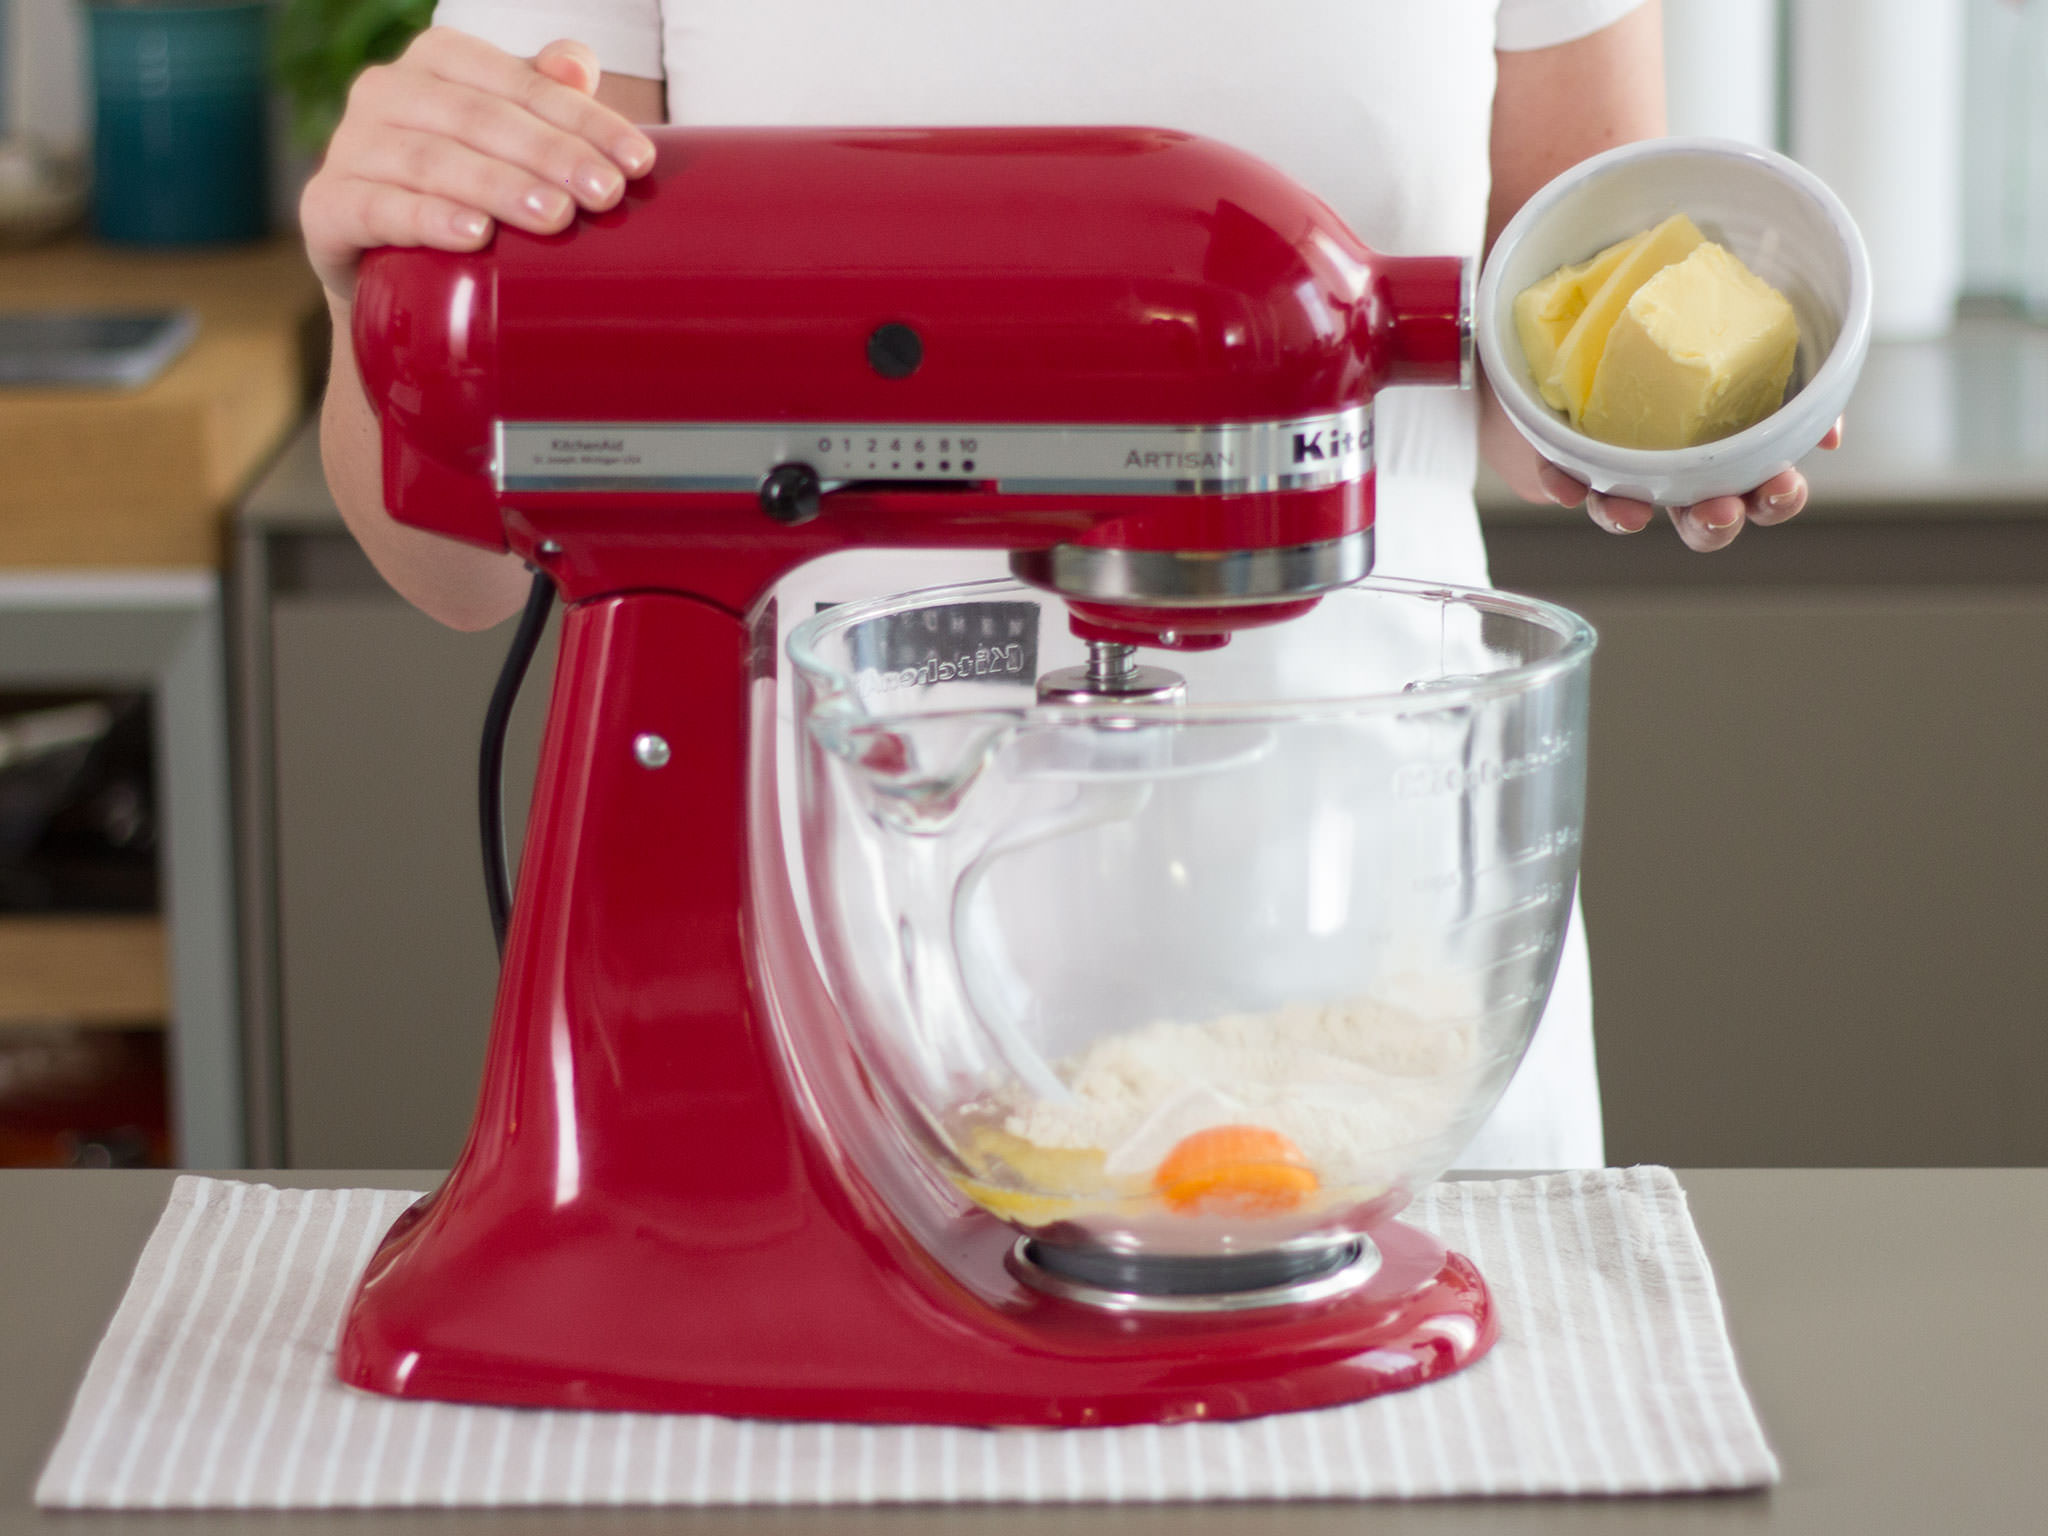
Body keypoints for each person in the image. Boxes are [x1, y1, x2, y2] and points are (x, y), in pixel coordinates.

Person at [303, 0, 1838, 1170]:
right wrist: (377, 284)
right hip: (851, 993)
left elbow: (1547, 321)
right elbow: (455, 565)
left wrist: (1673, 425)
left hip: (1380, 972)